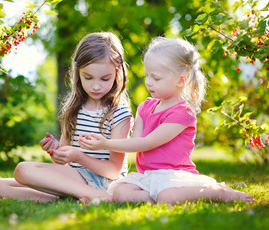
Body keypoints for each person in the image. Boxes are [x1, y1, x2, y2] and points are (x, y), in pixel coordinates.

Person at [79, 37, 255, 205]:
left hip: (174, 175)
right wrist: (105, 143)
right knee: (120, 193)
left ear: (181, 80)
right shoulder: (145, 108)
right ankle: (155, 198)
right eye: (147, 75)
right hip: (148, 176)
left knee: (167, 196)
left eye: (156, 78)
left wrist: (106, 144)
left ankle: (217, 192)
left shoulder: (182, 113)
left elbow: (147, 143)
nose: (149, 82)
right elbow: (134, 143)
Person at [0, 32, 133, 203]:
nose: (96, 86)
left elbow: (114, 171)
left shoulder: (119, 112)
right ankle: (77, 196)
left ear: (118, 73)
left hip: (104, 182)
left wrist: (79, 156)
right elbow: (62, 161)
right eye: (88, 77)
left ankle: (99, 196)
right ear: (78, 73)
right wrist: (55, 151)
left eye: (105, 78)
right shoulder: (73, 109)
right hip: (75, 179)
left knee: (22, 170)